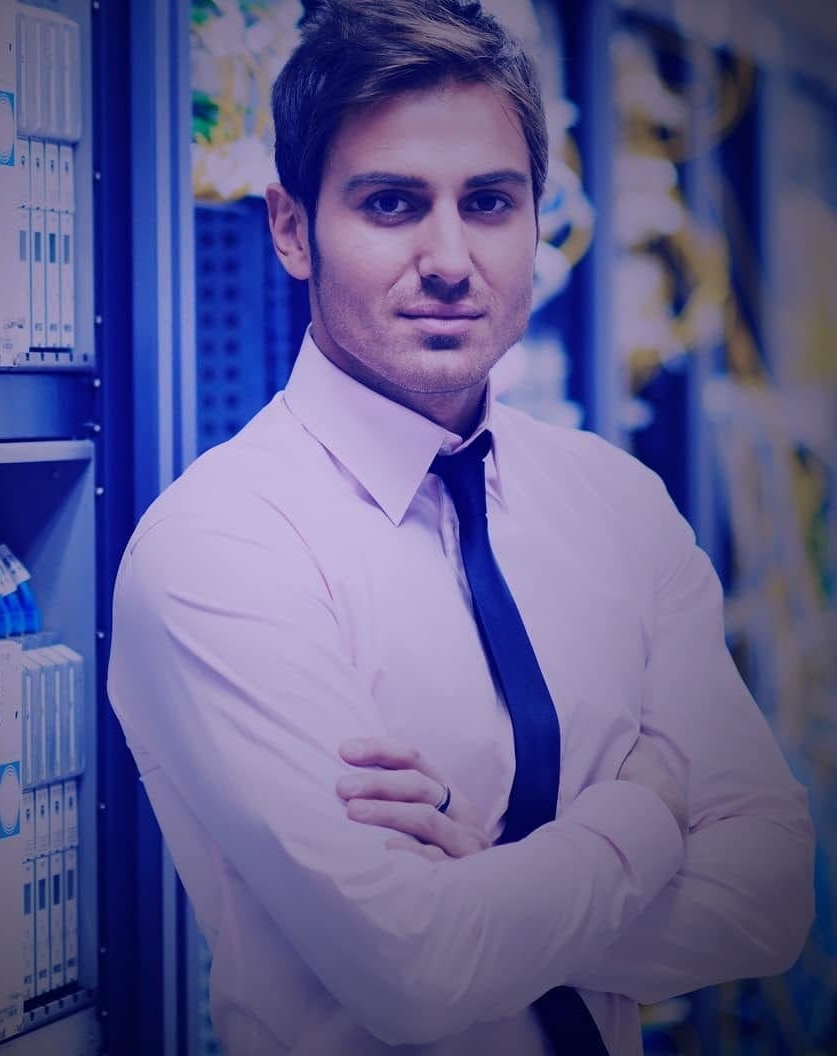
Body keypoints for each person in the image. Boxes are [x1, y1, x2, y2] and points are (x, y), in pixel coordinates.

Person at [108, 2, 814, 1053]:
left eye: (489, 202)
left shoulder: (617, 504)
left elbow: (770, 902)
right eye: (391, 204)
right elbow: (418, 972)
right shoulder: (221, 549)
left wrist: (494, 874)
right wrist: (648, 813)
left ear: (538, 218)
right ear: (292, 229)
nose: (450, 259)